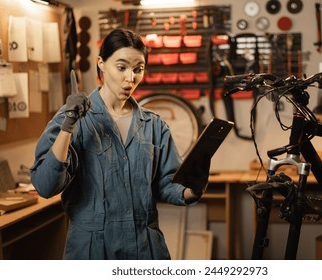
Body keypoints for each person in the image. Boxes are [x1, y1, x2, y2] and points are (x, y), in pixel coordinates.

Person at [30, 28, 210, 260]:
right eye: (121, 67)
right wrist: (68, 125)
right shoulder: (72, 117)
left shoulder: (154, 125)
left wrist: (191, 190)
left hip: (145, 248)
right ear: (101, 64)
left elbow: (166, 185)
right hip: (92, 250)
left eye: (138, 69)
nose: (130, 78)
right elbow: (46, 185)